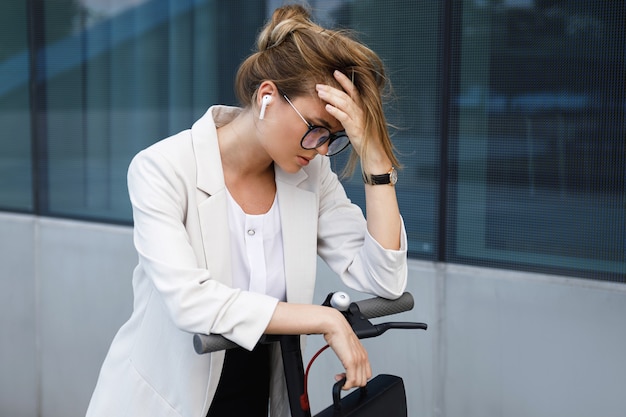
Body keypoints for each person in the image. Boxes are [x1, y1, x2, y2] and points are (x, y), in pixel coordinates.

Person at [86, 3, 407, 417]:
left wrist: (376, 160)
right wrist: (325, 319)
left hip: (260, 397)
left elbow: (385, 277)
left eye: (335, 136)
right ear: (267, 96)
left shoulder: (311, 175)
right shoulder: (162, 169)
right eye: (315, 128)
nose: (323, 148)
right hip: (162, 403)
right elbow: (192, 303)